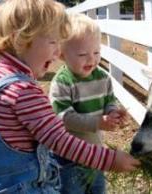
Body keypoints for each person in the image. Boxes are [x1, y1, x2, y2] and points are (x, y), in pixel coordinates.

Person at [0, 1, 140, 193]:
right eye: (53, 41)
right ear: (20, 39)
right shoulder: (23, 91)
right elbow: (60, 142)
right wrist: (108, 159)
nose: (57, 51)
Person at [48, 13, 128, 194]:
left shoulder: (102, 77)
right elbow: (64, 118)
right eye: (83, 54)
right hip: (67, 158)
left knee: (97, 189)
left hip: (95, 154)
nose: (91, 59)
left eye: (97, 52)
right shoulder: (62, 82)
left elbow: (109, 101)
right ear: (62, 54)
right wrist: (98, 123)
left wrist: (113, 113)